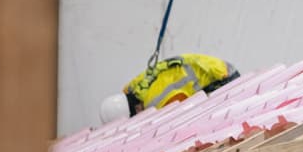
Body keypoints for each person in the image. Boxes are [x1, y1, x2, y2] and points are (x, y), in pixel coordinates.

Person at [98, 53, 240, 123]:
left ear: (136, 110)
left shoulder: (158, 101)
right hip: (211, 66)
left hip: (223, 76)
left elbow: (185, 111)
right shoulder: (132, 88)